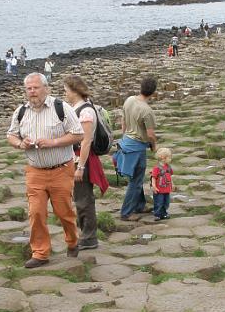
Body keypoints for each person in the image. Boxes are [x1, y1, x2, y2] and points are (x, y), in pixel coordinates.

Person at [7, 73, 83, 268]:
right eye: (29, 88)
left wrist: (53, 142)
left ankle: (73, 241)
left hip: (61, 169)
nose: (32, 92)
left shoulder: (61, 108)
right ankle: (40, 253)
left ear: (46, 88)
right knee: (36, 212)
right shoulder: (21, 112)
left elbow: (78, 134)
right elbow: (11, 135)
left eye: (36, 87)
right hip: (34, 171)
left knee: (64, 212)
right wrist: (20, 144)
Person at [64, 75, 109, 251]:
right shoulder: (79, 108)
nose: (65, 94)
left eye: (67, 90)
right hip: (77, 158)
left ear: (74, 91)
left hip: (83, 159)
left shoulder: (86, 112)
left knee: (84, 199)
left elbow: (86, 141)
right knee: (80, 198)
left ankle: (89, 237)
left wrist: (80, 167)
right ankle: (85, 233)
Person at [117, 77, 158, 221]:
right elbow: (150, 134)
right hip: (137, 147)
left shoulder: (129, 100)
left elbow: (123, 121)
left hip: (126, 142)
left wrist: (124, 136)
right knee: (135, 181)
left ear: (141, 88)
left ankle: (140, 205)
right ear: (153, 93)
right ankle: (126, 212)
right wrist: (154, 144)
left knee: (136, 178)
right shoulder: (147, 111)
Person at [150, 147, 174, 221]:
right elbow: (153, 177)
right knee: (159, 202)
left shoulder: (168, 167)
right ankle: (157, 214)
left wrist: (172, 184)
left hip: (166, 189)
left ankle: (164, 213)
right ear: (163, 158)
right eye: (169, 157)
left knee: (166, 202)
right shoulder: (157, 168)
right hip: (159, 189)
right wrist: (154, 186)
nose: (170, 159)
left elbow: (170, 176)